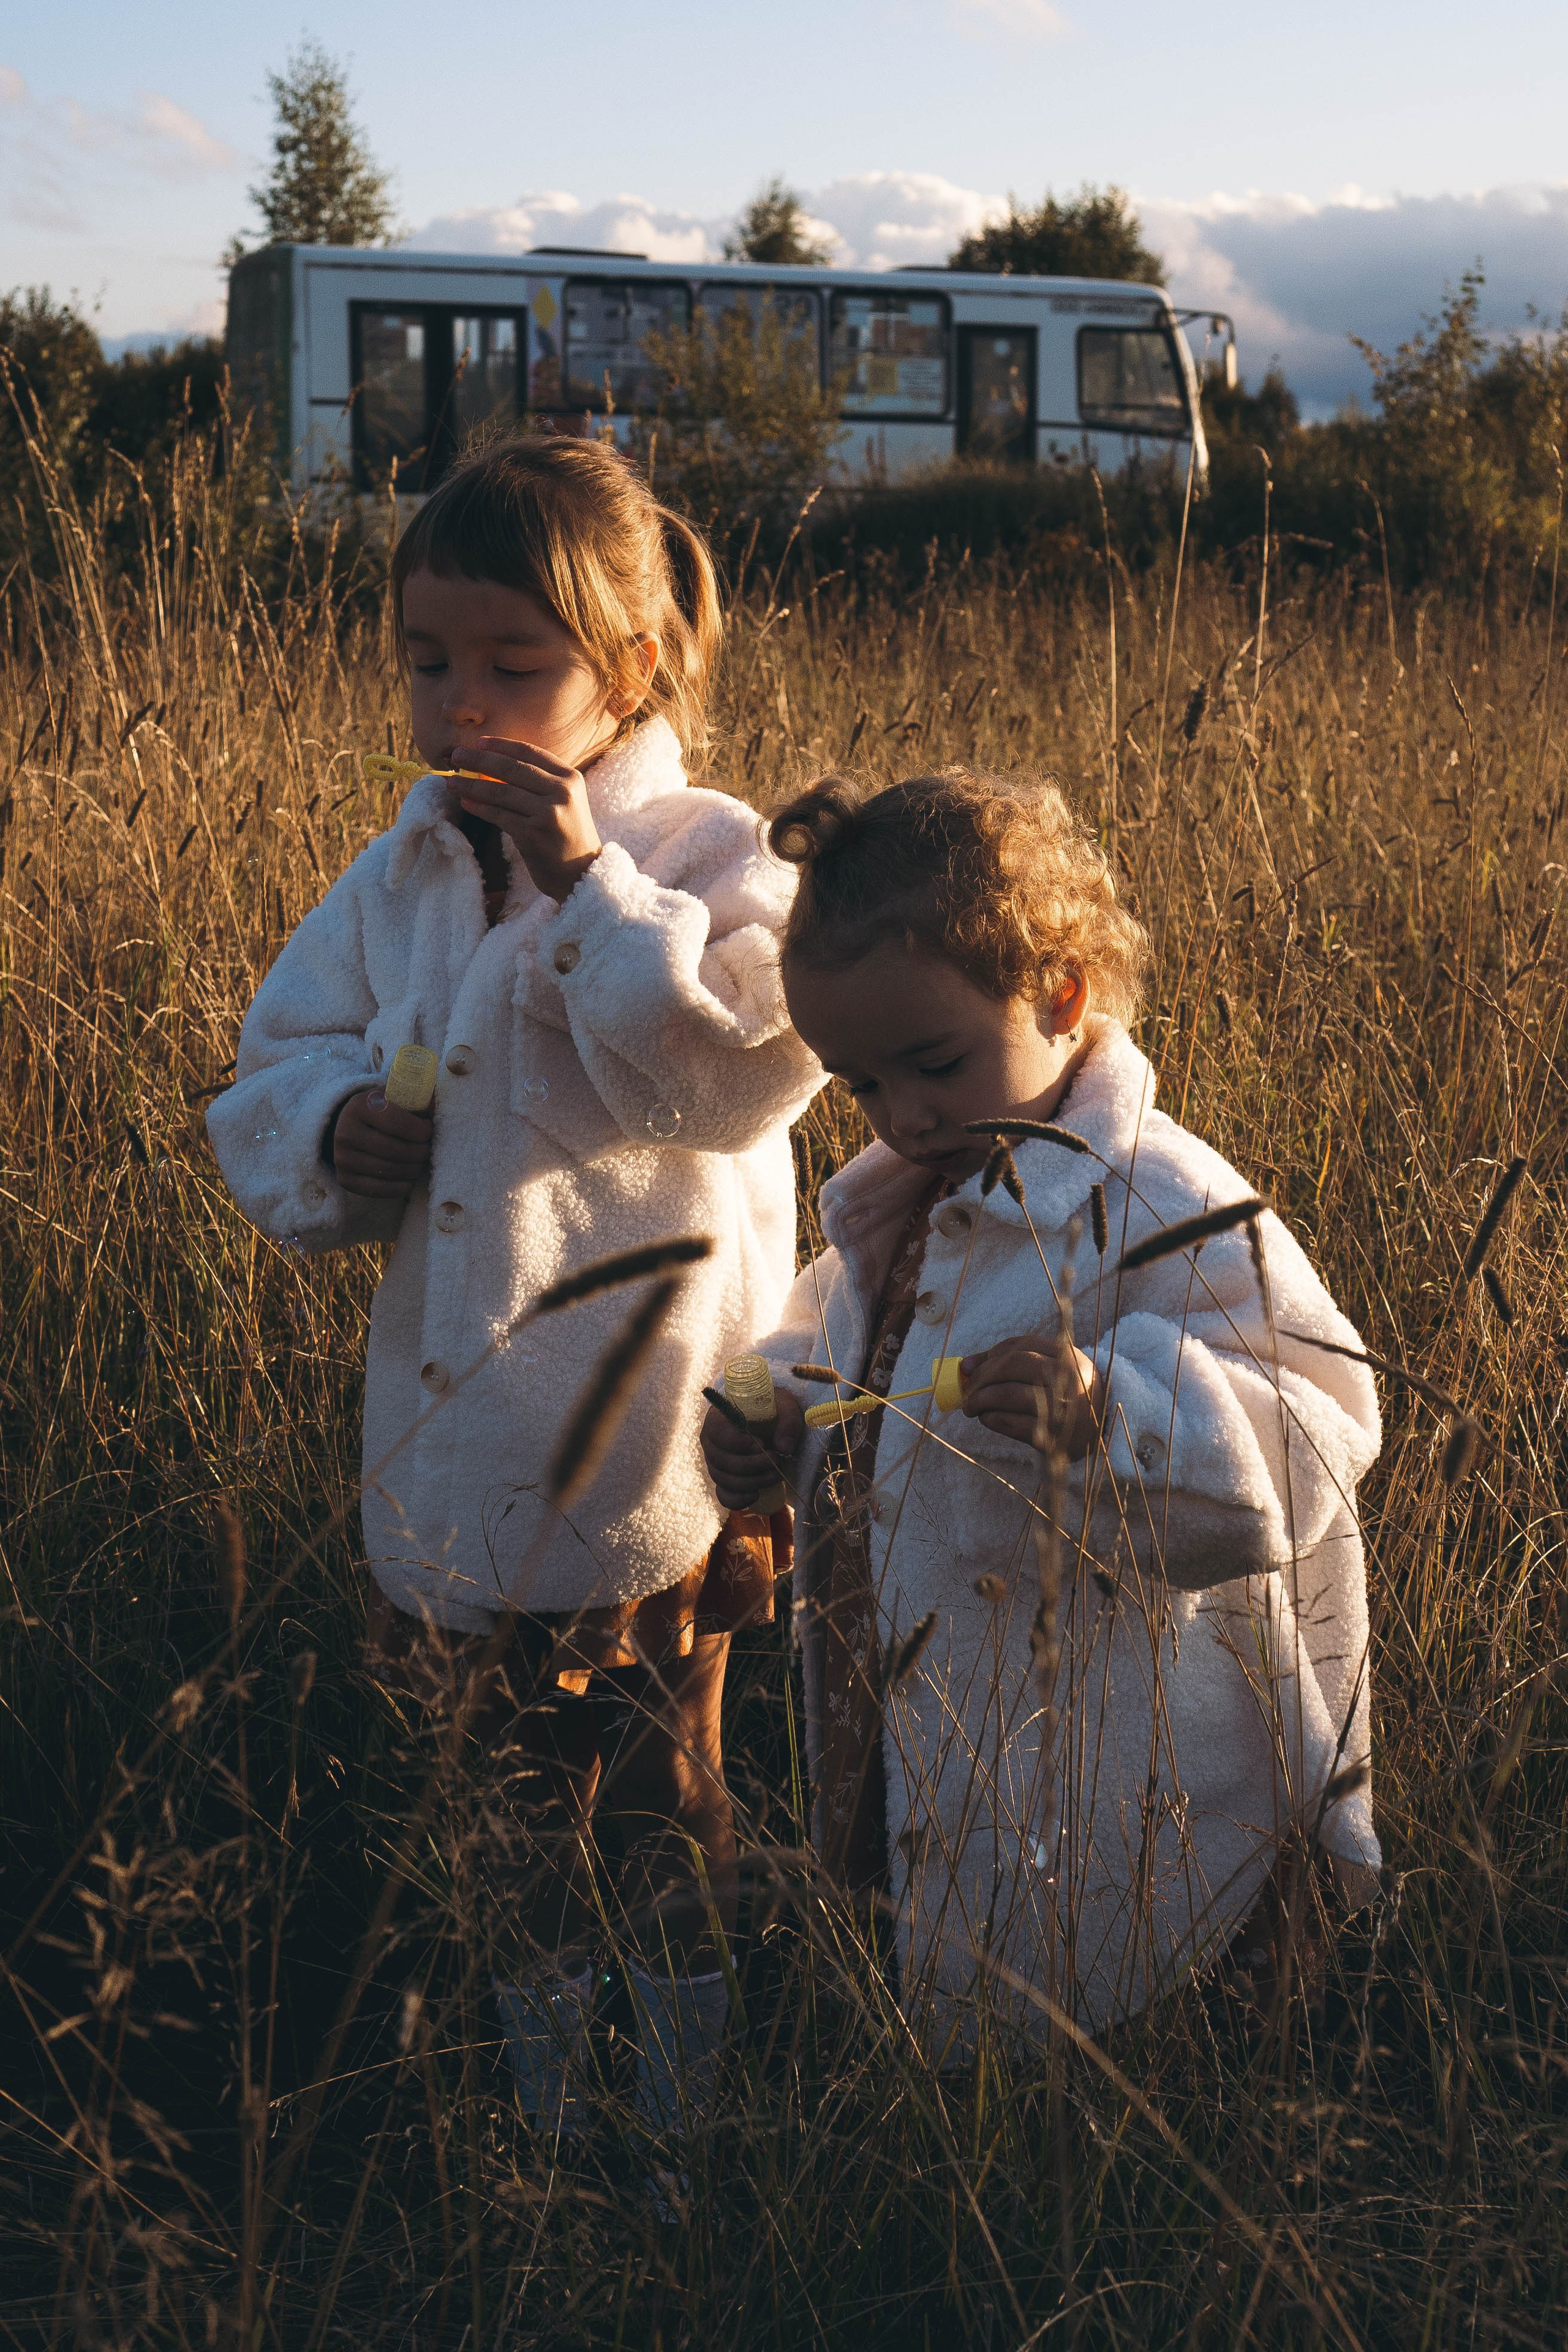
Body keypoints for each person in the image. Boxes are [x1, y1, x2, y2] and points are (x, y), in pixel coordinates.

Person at [208, 436, 821, 2133]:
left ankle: (686, 2133)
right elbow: (274, 1060)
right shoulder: (404, 866)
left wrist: (586, 888)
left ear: (629, 671)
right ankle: (561, 2126)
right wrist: (337, 1130)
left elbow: (738, 1077)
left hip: (652, 1446)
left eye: (511, 663)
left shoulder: (713, 860)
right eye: (426, 660)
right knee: (498, 1815)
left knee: (655, 1789)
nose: (460, 702)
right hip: (454, 1437)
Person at [701, 768, 1382, 2041]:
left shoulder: (1160, 1200)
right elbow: (818, 1333)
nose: (902, 1116)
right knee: (925, 1946)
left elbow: (1322, 1424)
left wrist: (1116, 1417)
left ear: (1059, 993)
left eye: (933, 1063)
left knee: (1093, 1992)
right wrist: (756, 1407)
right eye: (860, 1085)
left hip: (1100, 1747)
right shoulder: (901, 1193)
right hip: (896, 1694)